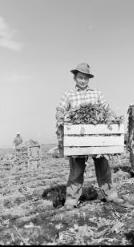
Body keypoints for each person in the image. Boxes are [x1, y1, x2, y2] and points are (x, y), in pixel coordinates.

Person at [55, 63, 124, 209]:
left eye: (85, 78)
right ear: (75, 78)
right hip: (78, 138)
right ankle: (72, 199)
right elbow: (60, 108)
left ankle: (110, 195)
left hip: (97, 136)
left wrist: (113, 118)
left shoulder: (97, 93)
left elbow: (106, 109)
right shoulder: (68, 94)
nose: (82, 80)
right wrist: (60, 116)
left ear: (88, 79)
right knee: (76, 168)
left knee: (103, 165)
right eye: (80, 77)